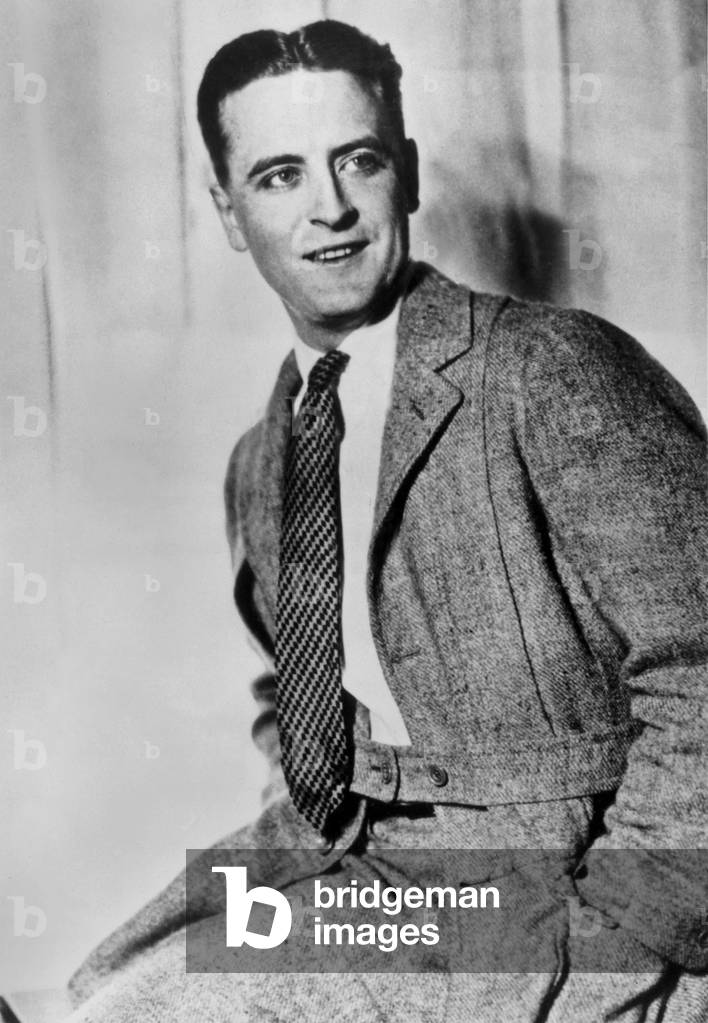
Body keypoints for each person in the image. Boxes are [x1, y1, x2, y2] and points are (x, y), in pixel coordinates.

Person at [63, 19, 707, 1022]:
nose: (329, 208)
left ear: (403, 172)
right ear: (228, 210)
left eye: (356, 160)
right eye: (279, 175)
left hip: (543, 886)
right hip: (350, 868)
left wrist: (617, 945)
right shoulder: (263, 457)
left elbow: (700, 669)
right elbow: (293, 700)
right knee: (91, 994)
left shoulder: (550, 368)